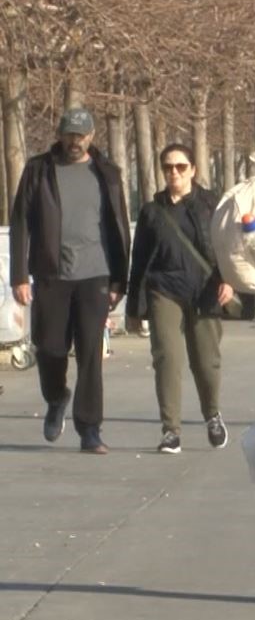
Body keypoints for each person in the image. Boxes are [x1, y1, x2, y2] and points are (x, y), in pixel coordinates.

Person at [9, 108, 129, 454]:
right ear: (60, 135)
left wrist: (120, 279)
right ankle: (56, 396)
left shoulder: (107, 173)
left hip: (96, 274)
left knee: (91, 351)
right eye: (69, 135)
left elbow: (119, 226)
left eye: (81, 135)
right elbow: (20, 223)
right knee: (50, 347)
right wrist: (19, 275)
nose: (75, 142)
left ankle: (90, 428)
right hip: (51, 274)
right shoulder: (39, 170)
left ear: (92, 136)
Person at [125, 144, 232, 454]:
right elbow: (140, 260)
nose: (174, 172)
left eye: (181, 167)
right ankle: (170, 430)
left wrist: (230, 281)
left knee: (206, 362)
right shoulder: (152, 211)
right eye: (168, 167)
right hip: (164, 291)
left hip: (205, 291)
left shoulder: (212, 204)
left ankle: (212, 414)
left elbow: (230, 246)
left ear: (194, 170)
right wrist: (134, 308)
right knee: (167, 360)